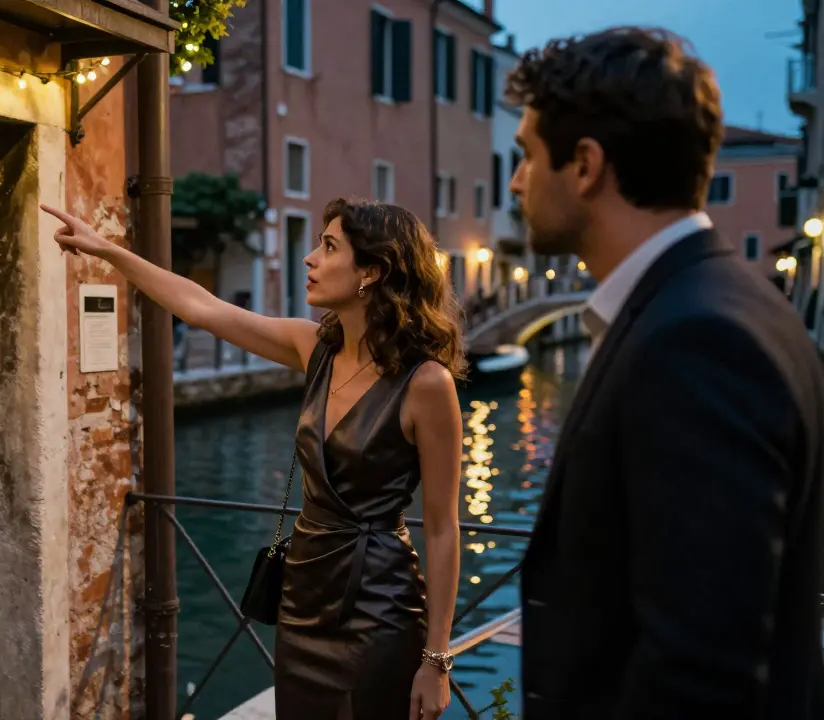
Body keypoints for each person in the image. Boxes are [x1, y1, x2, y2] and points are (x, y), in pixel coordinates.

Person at [42, 199, 466, 720]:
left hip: (379, 610)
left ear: (372, 272)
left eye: (329, 247)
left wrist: (437, 659)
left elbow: (443, 528)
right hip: (303, 597)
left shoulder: (427, 384)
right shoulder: (314, 349)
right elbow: (201, 307)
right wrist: (109, 251)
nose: (310, 258)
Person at [506, 27, 824, 718]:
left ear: (585, 165)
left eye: (527, 155)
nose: (516, 181)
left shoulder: (696, 342)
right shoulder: (730, 306)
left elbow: (700, 675)